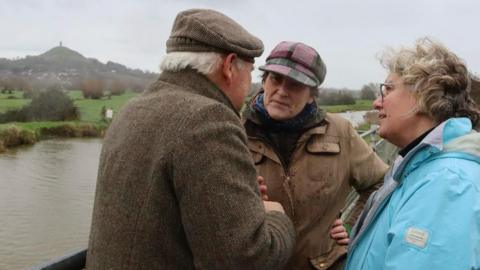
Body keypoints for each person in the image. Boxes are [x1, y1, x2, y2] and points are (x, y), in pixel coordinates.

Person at [86, 9, 296, 270]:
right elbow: (247, 259)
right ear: (230, 66)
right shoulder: (209, 120)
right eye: (250, 72)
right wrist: (275, 216)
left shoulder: (132, 109)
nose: (251, 85)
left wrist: (240, 198)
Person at [242, 41, 389, 270]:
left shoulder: (340, 132)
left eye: (295, 85)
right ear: (263, 81)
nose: (281, 91)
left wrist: (354, 225)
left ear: (312, 95)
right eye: (275, 79)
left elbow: (380, 182)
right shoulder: (236, 132)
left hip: (324, 264)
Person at [345, 38, 480, 270]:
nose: (377, 102)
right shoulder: (420, 168)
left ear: (423, 95)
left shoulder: (447, 182)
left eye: (388, 89)